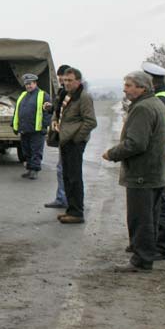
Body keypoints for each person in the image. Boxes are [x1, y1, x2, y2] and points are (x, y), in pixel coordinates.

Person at [103, 71, 165, 272]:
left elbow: (136, 143)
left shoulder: (142, 108)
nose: (125, 89)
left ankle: (141, 261)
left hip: (142, 174)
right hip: (155, 172)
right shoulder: (156, 103)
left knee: (140, 219)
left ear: (142, 87)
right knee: (151, 217)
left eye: (129, 85)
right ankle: (145, 254)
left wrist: (112, 154)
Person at [140, 62, 165, 260]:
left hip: (161, 162)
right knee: (155, 205)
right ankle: (153, 244)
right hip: (164, 160)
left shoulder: (162, 102)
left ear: (151, 82)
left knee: (159, 206)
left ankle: (162, 247)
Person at [56, 67, 97, 223]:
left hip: (74, 143)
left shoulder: (84, 97)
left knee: (74, 178)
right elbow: (60, 113)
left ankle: (77, 212)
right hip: (65, 141)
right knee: (67, 177)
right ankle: (70, 209)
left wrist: (77, 138)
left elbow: (91, 122)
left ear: (78, 81)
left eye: (70, 80)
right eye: (65, 80)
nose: (66, 83)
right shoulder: (67, 95)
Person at [12, 73, 52, 179]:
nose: (28, 86)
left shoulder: (43, 95)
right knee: (26, 151)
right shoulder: (23, 95)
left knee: (36, 151)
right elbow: (17, 111)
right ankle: (29, 169)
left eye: (30, 84)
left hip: (37, 130)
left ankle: (34, 170)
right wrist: (15, 126)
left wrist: (44, 125)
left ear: (35, 83)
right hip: (25, 129)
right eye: (27, 84)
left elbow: (48, 113)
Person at [44, 65, 71, 208]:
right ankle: (64, 198)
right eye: (60, 77)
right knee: (62, 169)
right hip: (63, 136)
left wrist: (73, 135)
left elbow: (88, 121)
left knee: (65, 169)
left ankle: (65, 199)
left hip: (69, 138)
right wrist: (51, 108)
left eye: (63, 77)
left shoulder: (73, 94)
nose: (61, 79)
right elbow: (59, 110)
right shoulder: (63, 91)